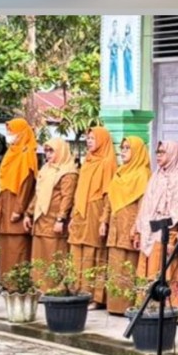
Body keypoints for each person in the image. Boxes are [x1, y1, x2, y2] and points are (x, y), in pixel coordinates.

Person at [135, 140, 178, 308]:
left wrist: (173, 239)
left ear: (172, 154)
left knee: (165, 271)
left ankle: (166, 308)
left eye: (162, 152)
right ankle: (146, 306)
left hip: (166, 234)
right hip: (149, 231)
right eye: (157, 152)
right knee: (148, 270)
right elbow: (145, 205)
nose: (158, 155)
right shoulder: (156, 176)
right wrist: (138, 229)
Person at [101, 136, 151, 314]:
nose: (123, 152)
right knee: (115, 265)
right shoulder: (120, 172)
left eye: (127, 148)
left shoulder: (143, 174)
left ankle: (127, 306)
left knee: (128, 267)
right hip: (115, 226)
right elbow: (110, 199)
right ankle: (114, 305)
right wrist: (104, 221)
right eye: (122, 148)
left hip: (130, 227)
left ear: (137, 151)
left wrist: (137, 229)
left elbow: (144, 205)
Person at [69, 126, 117, 306]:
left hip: (95, 213)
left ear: (103, 140)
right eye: (87, 138)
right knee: (77, 251)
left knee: (93, 252)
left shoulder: (107, 163)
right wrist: (74, 216)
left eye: (93, 138)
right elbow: (79, 191)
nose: (89, 141)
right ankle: (76, 290)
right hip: (81, 212)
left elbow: (109, 195)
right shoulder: (87, 161)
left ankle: (93, 297)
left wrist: (104, 219)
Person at [23, 138, 77, 292]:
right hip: (41, 219)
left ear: (61, 151)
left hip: (55, 221)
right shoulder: (46, 169)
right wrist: (29, 213)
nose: (47, 154)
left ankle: (55, 289)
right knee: (40, 256)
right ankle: (39, 288)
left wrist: (61, 219)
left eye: (51, 150)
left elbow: (67, 198)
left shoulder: (68, 172)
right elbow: (38, 194)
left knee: (54, 255)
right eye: (46, 150)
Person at [0, 118, 37, 279]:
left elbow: (27, 186)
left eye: (11, 131)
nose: (9, 135)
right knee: (5, 247)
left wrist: (19, 210)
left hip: (16, 208)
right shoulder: (11, 153)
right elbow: (3, 184)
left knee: (17, 247)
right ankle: (5, 281)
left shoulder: (27, 155)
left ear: (21, 133)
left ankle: (17, 284)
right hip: (5, 205)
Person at [122, 22, 134, 95]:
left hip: (129, 55)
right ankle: (126, 88)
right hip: (124, 56)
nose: (126, 30)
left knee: (129, 72)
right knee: (125, 72)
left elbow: (131, 47)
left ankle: (130, 88)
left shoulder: (131, 37)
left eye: (128, 28)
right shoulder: (124, 37)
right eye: (126, 28)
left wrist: (127, 43)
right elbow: (122, 48)